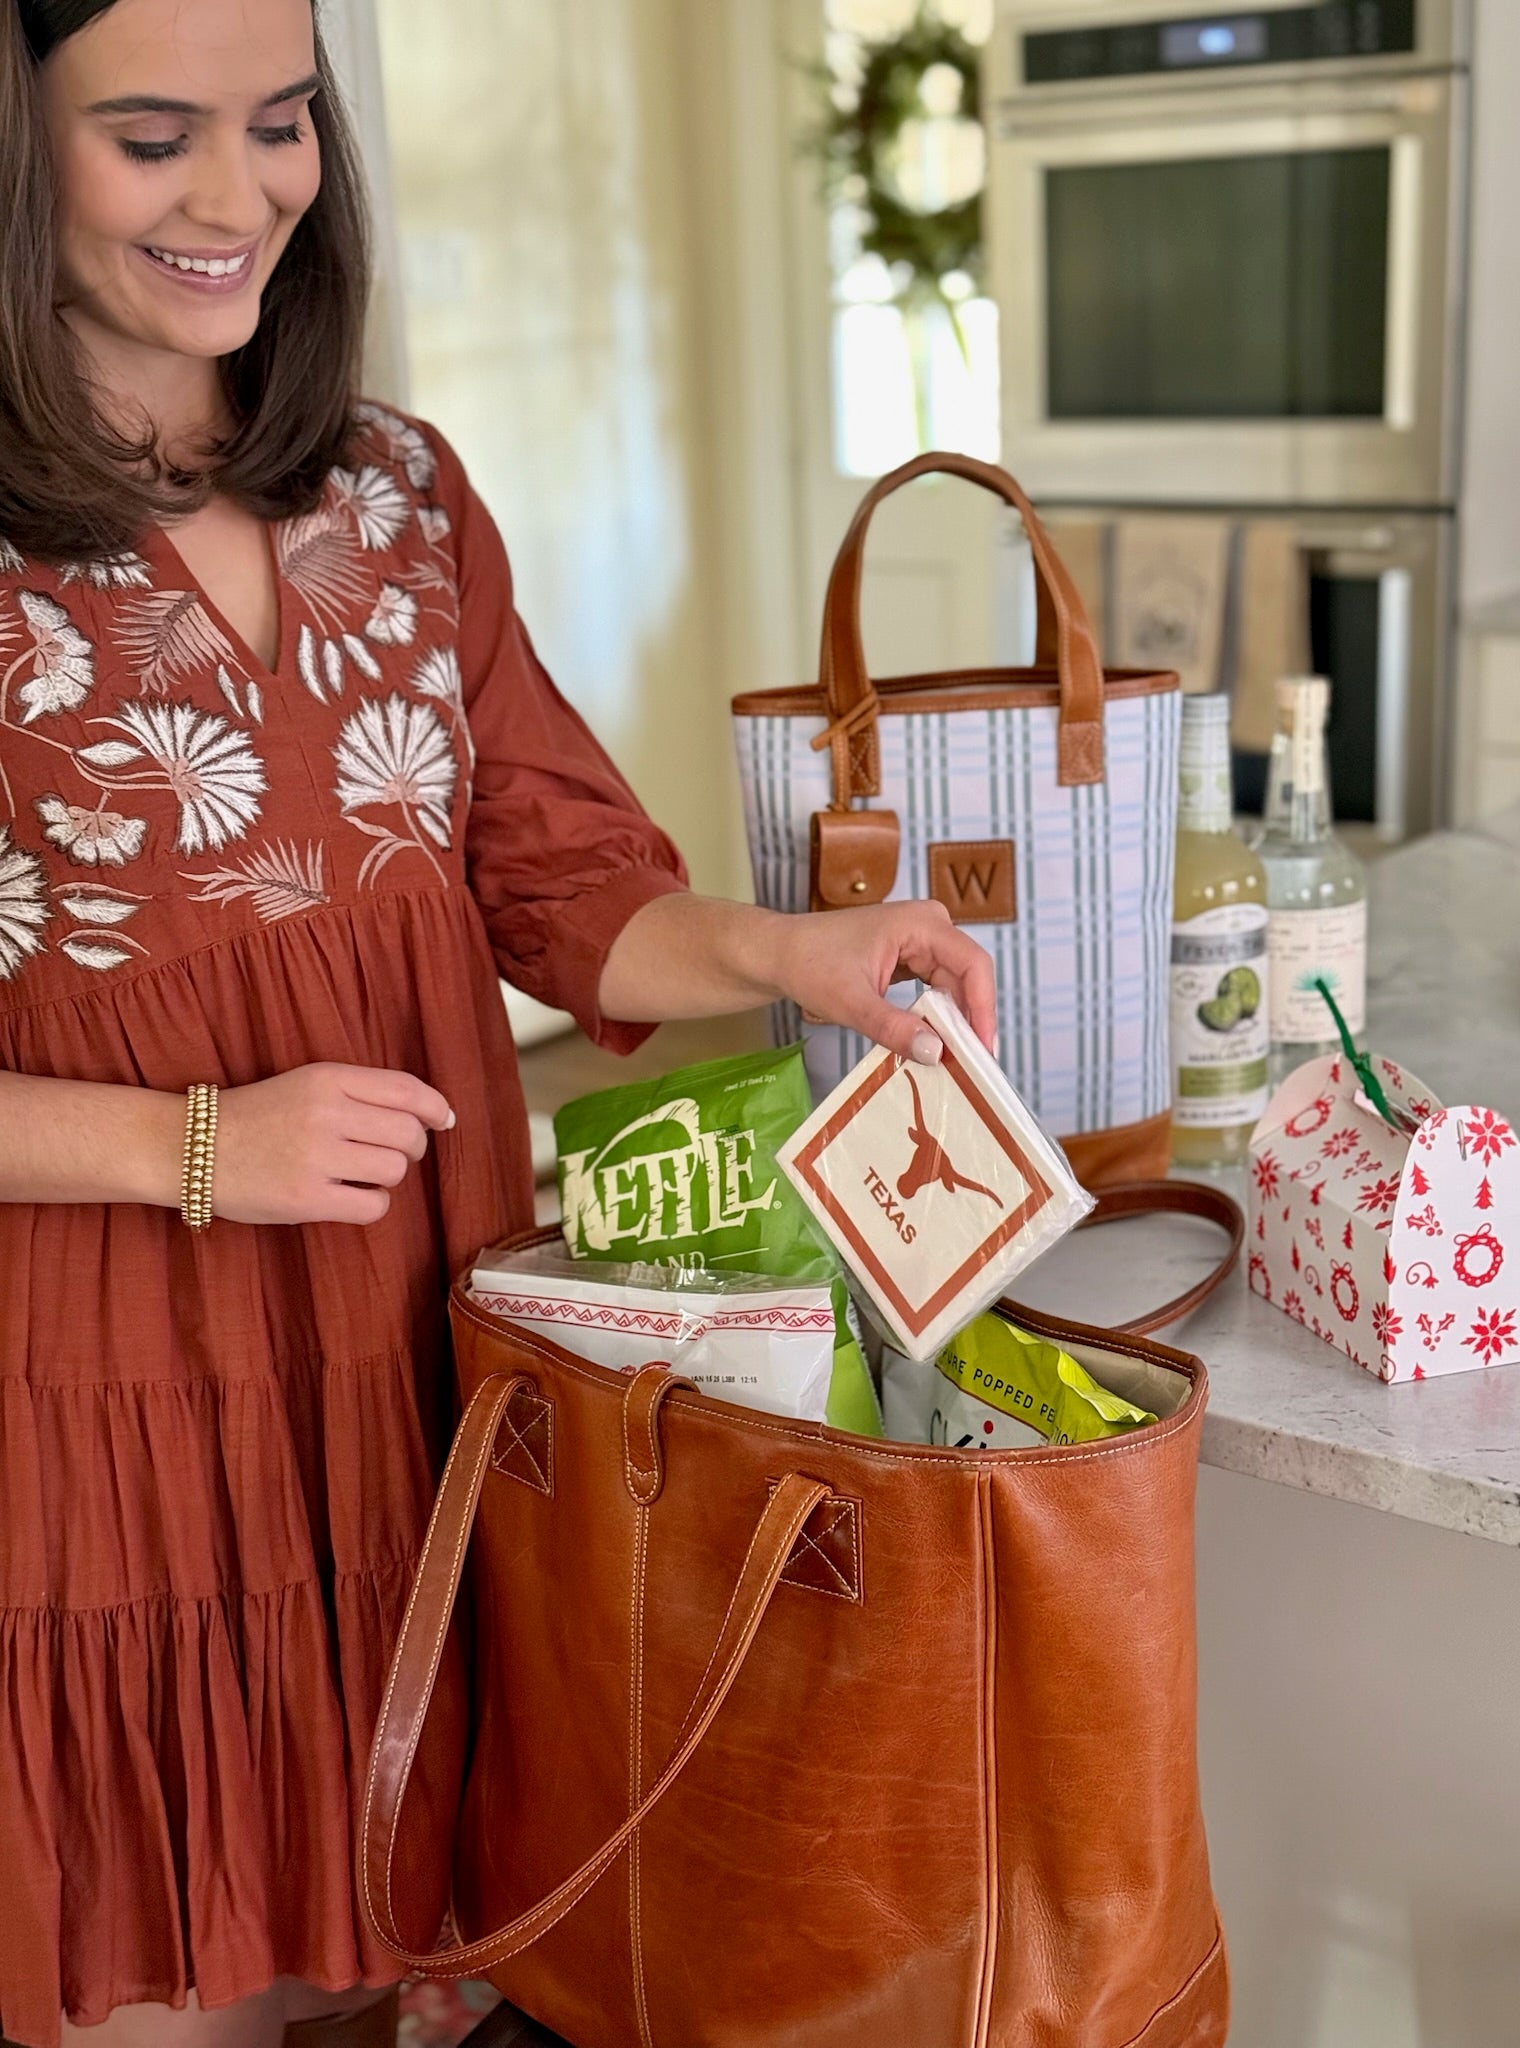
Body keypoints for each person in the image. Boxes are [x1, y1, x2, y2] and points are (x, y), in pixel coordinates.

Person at [0, 1, 996, 2043]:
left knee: (413, 1948)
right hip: (114, 1424)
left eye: (281, 124)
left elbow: (552, 882)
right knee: (160, 1973)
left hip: (422, 1371)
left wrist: (787, 954)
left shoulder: (394, 491)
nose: (237, 193)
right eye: (152, 135)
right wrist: (196, 1146)